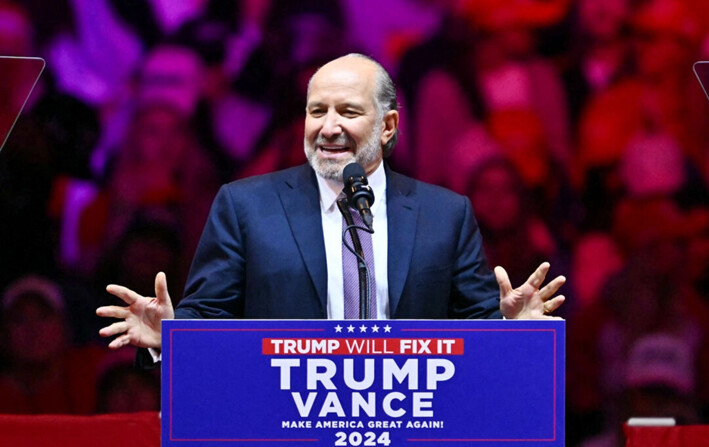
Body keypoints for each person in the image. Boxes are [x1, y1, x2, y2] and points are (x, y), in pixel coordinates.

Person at [96, 53, 565, 353]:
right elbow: (211, 317)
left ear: (388, 127)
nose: (328, 126)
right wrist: (172, 334)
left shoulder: (444, 215)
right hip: (285, 424)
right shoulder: (245, 207)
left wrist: (510, 330)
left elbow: (476, 328)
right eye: (317, 111)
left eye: (349, 111)